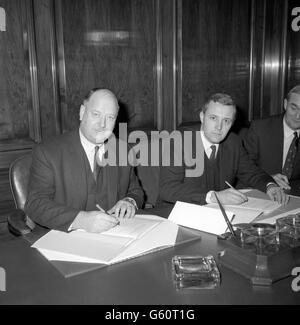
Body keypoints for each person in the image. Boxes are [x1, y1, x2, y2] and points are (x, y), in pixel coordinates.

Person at [25, 88, 144, 233]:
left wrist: (129, 202)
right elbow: (35, 204)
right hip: (64, 239)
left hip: (114, 236)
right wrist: (80, 220)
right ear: (82, 112)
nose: (102, 124)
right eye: (96, 114)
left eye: (110, 117)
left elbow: (135, 190)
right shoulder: (48, 152)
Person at [158, 93, 288, 208]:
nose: (219, 127)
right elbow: (168, 189)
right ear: (202, 117)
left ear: (232, 123)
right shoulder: (178, 141)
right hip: (175, 213)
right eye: (213, 118)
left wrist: (270, 185)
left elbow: (251, 172)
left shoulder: (233, 143)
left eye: (226, 121)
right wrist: (214, 197)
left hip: (217, 213)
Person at [243, 85, 300, 190]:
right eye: (293, 108)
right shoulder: (259, 129)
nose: (298, 116)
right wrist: (267, 180)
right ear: (285, 104)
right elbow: (243, 170)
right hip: (262, 192)